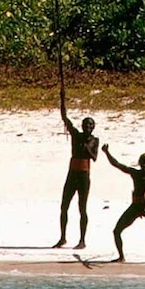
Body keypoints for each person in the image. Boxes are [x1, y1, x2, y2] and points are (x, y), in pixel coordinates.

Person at [103, 144, 145, 263]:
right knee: (117, 231)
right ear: (139, 162)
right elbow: (117, 164)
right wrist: (107, 152)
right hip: (135, 207)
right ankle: (121, 257)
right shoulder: (135, 173)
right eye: (143, 160)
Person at [52, 90, 98, 249]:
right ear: (82, 126)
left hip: (84, 174)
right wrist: (62, 100)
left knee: (82, 208)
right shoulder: (76, 135)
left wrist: (86, 146)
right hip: (72, 173)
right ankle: (62, 238)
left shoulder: (94, 140)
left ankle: (82, 240)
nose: (88, 127)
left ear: (93, 127)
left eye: (90, 125)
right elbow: (65, 118)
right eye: (86, 124)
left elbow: (94, 157)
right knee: (64, 206)